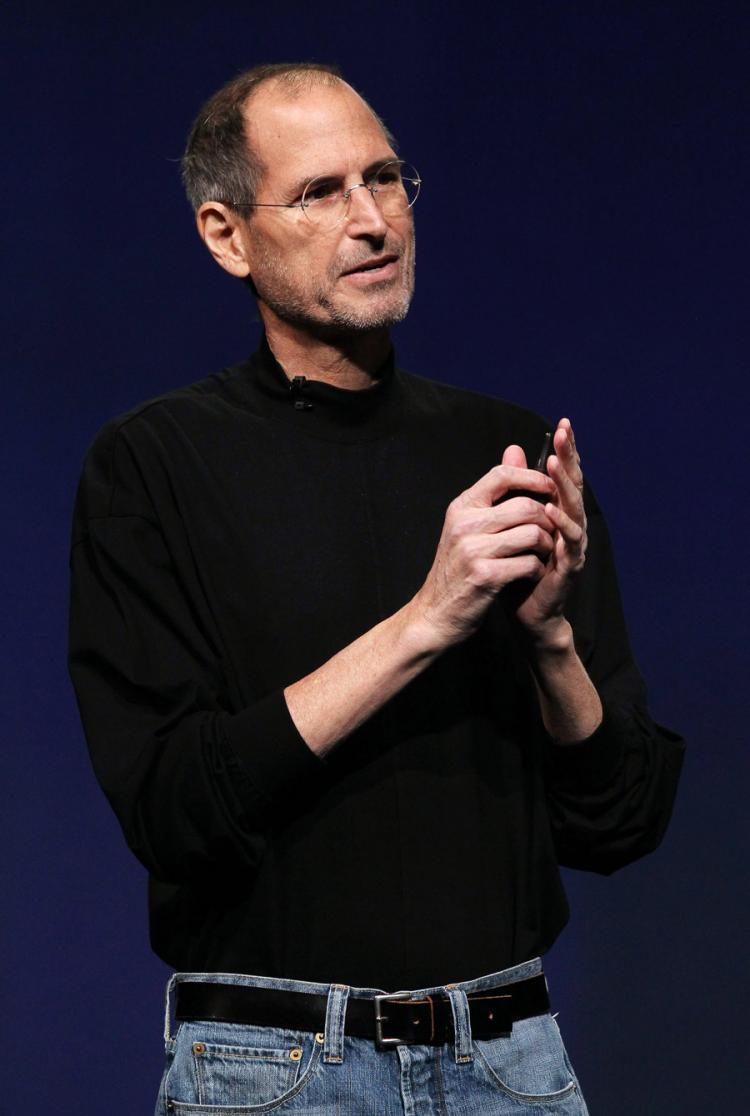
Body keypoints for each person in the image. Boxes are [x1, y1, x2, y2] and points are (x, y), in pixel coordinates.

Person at [68, 62, 684, 1115]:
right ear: (227, 236)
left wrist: (548, 645)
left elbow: (619, 822)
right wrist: (427, 621)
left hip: (511, 1063)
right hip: (274, 1067)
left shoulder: (509, 452)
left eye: (386, 178)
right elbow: (174, 809)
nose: (372, 220)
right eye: (319, 192)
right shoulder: (153, 464)